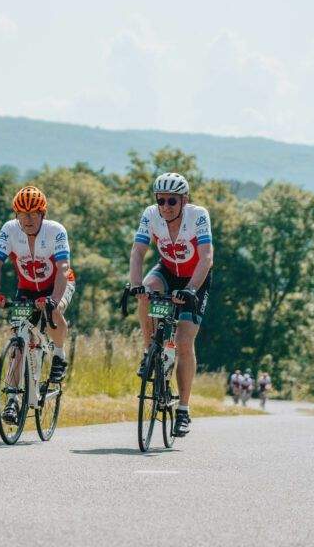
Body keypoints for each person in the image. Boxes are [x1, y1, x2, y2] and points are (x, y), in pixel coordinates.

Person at [128, 172, 213, 437]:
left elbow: (206, 257)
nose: (165, 206)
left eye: (172, 201)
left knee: (185, 341)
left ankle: (184, 410)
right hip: (166, 270)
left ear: (184, 201)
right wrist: (135, 284)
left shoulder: (198, 215)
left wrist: (189, 290)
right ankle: (149, 351)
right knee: (146, 292)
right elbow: (138, 251)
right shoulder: (151, 214)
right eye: (161, 200)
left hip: (195, 277)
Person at [0, 186, 76, 424]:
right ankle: (13, 401)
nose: (27, 219)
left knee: (53, 311)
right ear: (16, 215)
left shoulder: (55, 231)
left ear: (42, 214)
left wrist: (53, 300)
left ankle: (58, 355)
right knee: (19, 343)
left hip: (58, 283)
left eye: (33, 213)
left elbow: (63, 268)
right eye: (22, 214)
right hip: (27, 288)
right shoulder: (9, 230)